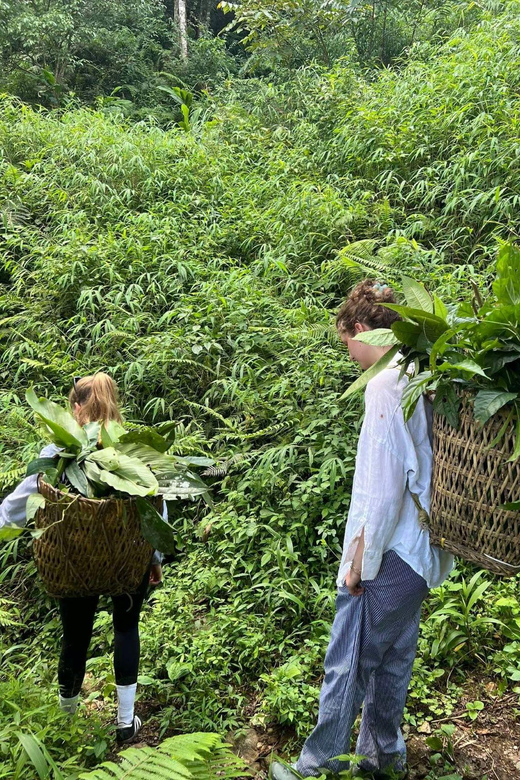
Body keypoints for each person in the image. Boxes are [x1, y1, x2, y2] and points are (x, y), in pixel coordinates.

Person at [270, 280, 454, 780]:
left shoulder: (383, 383)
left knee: (348, 659)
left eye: (345, 341)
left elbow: (381, 487)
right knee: (393, 659)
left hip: (391, 550)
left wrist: (357, 564)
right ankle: (383, 761)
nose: (349, 354)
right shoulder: (422, 371)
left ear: (357, 329)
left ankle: (317, 767)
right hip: (423, 549)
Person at [0, 373, 163, 744]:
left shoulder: (58, 453)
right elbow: (155, 507)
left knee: (74, 637)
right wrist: (155, 556)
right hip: (126, 561)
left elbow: (18, 503)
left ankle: (67, 725)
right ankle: (125, 723)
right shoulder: (131, 449)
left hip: (75, 561)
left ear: (75, 407)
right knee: (126, 629)